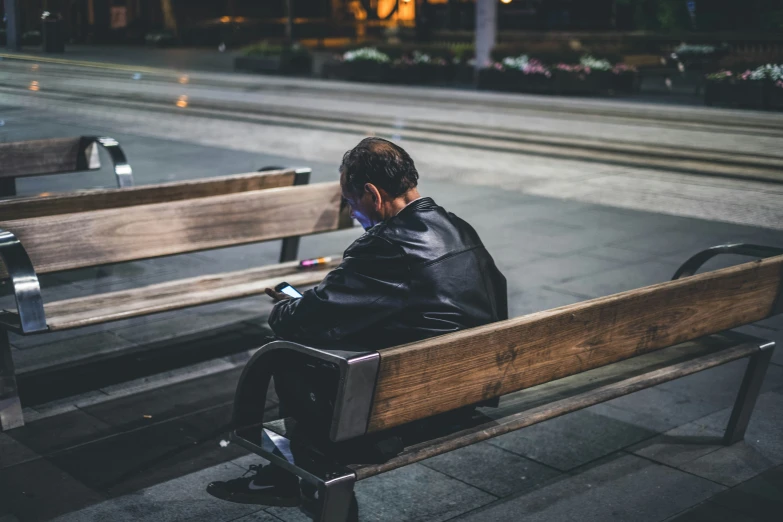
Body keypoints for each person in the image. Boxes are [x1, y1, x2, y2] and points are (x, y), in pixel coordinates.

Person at [207, 137, 507, 506]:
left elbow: (295, 323)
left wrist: (287, 306)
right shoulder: (459, 228)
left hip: (405, 412)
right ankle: (290, 470)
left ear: (372, 193)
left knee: (289, 356)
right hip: (466, 393)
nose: (352, 214)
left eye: (351, 202)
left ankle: (295, 474)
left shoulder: (385, 246)